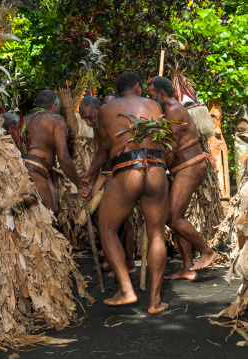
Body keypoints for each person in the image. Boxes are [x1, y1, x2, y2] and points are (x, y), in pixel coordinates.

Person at [94, 72, 169, 314]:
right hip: (157, 169)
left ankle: (126, 290)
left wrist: (90, 173)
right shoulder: (155, 105)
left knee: (106, 228)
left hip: (128, 169)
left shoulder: (107, 108)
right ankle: (155, 302)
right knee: (157, 234)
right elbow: (166, 142)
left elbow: (105, 148)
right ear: (138, 86)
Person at [147, 76, 217, 280]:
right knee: (177, 217)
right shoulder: (169, 112)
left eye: (152, 96)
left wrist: (159, 168)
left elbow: (171, 147)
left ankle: (206, 251)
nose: (151, 100)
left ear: (161, 94)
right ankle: (187, 267)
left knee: (172, 217)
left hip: (190, 167)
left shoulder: (174, 110)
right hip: (183, 168)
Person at [79, 96, 136, 277]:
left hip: (124, 172)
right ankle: (113, 259)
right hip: (108, 173)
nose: (88, 122)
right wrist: (90, 175)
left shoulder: (115, 120)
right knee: (97, 214)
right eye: (85, 120)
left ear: (98, 108)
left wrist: (116, 174)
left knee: (120, 220)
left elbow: (125, 149)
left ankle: (127, 262)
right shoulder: (98, 126)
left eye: (90, 117)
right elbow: (102, 154)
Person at [24, 90, 90, 214]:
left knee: (54, 208)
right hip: (36, 169)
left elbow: (51, 159)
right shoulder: (56, 119)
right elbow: (63, 158)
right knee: (50, 217)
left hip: (23, 169)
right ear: (55, 105)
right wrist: (80, 186)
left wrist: (54, 186)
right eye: (59, 107)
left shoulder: (25, 119)